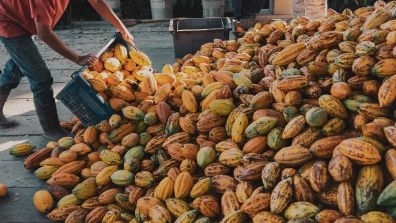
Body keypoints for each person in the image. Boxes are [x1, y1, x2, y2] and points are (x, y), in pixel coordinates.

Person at [0, 0, 134, 140]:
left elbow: (96, 2)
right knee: (40, 78)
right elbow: (44, 34)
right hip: (8, 20)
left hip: (22, 16)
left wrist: (122, 27)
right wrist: (77, 58)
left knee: (21, 64)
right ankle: (51, 130)